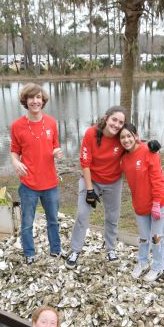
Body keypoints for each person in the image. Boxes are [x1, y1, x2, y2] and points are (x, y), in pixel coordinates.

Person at [66, 105, 127, 269]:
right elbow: (85, 163)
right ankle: (75, 250)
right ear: (106, 118)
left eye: (121, 122)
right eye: (114, 119)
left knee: (112, 217)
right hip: (91, 180)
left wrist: (149, 147)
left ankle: (111, 249)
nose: (116, 124)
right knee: (82, 215)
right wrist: (90, 190)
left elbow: (135, 147)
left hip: (114, 182)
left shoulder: (122, 136)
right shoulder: (91, 133)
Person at [10, 83, 64, 264]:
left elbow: (55, 144)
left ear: (43, 100)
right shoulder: (17, 126)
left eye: (39, 97)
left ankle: (56, 250)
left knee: (53, 221)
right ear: (25, 101)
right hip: (28, 184)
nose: (35, 101)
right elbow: (14, 149)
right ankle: (29, 254)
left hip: (50, 183)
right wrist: (15, 161)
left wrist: (57, 151)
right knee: (27, 223)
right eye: (31, 98)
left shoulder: (51, 122)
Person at [119, 123, 164, 283]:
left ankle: (158, 267)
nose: (126, 140)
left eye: (129, 136)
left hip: (159, 202)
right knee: (143, 237)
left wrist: (156, 203)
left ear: (136, 136)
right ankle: (142, 262)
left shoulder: (149, 151)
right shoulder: (124, 158)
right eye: (122, 137)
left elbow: (157, 180)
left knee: (157, 237)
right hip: (140, 204)